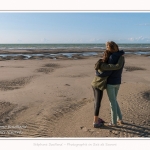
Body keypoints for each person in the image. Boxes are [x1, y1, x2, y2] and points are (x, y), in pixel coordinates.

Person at [91, 49, 124, 128]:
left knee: (98, 102)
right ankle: (95, 122)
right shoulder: (105, 66)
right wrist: (121, 57)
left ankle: (97, 119)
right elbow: (117, 66)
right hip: (98, 85)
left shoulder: (102, 62)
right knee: (97, 103)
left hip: (96, 84)